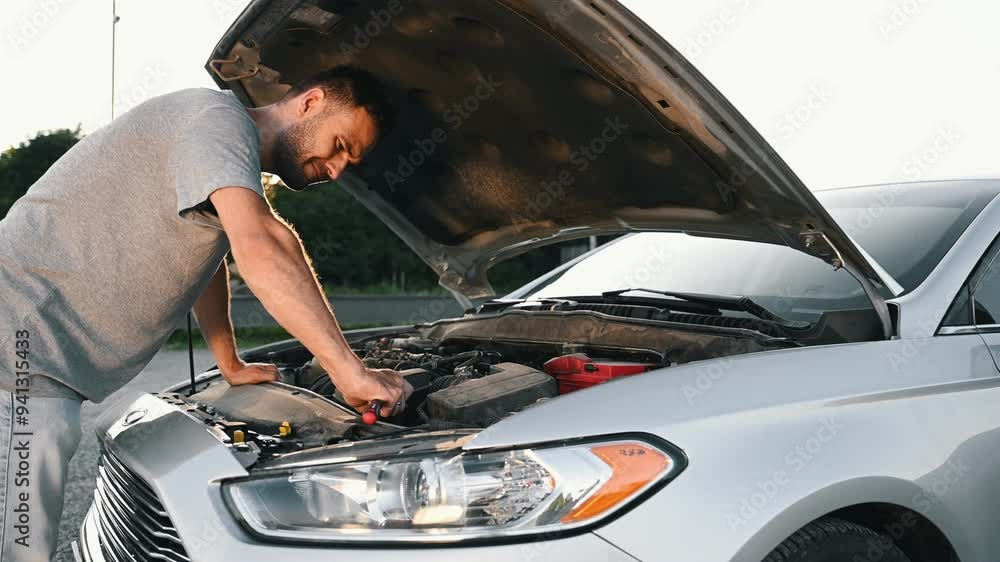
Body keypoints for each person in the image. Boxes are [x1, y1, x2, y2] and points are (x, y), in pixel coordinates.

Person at [0, 65, 414, 561]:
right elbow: (263, 244)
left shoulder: (219, 168)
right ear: (311, 103)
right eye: (342, 144)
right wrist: (349, 372)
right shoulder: (218, 118)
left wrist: (230, 361)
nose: (338, 168)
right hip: (19, 354)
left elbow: (206, 257)